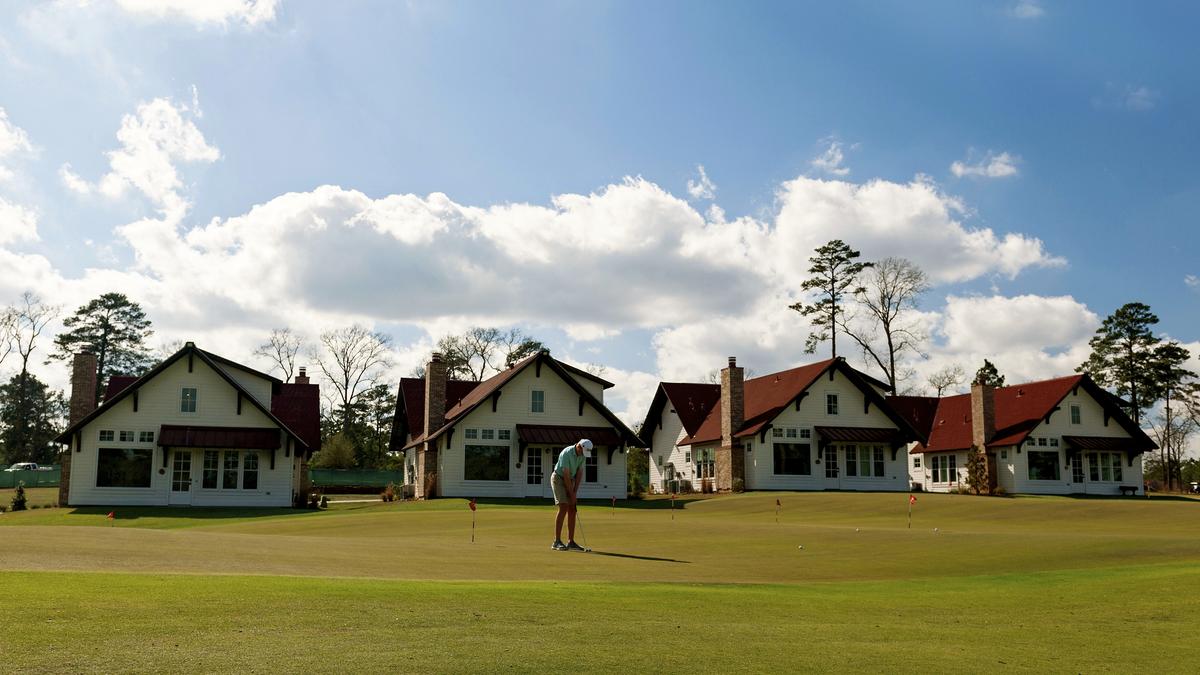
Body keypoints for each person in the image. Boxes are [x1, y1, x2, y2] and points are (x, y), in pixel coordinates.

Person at [551, 438, 592, 551]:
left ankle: (571, 542)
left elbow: (579, 473)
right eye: (583, 452)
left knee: (572, 509)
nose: (583, 455)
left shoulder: (583, 455)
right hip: (558, 478)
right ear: (579, 447)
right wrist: (571, 494)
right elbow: (565, 474)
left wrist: (575, 492)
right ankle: (557, 541)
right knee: (563, 506)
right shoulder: (566, 453)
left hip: (571, 479)